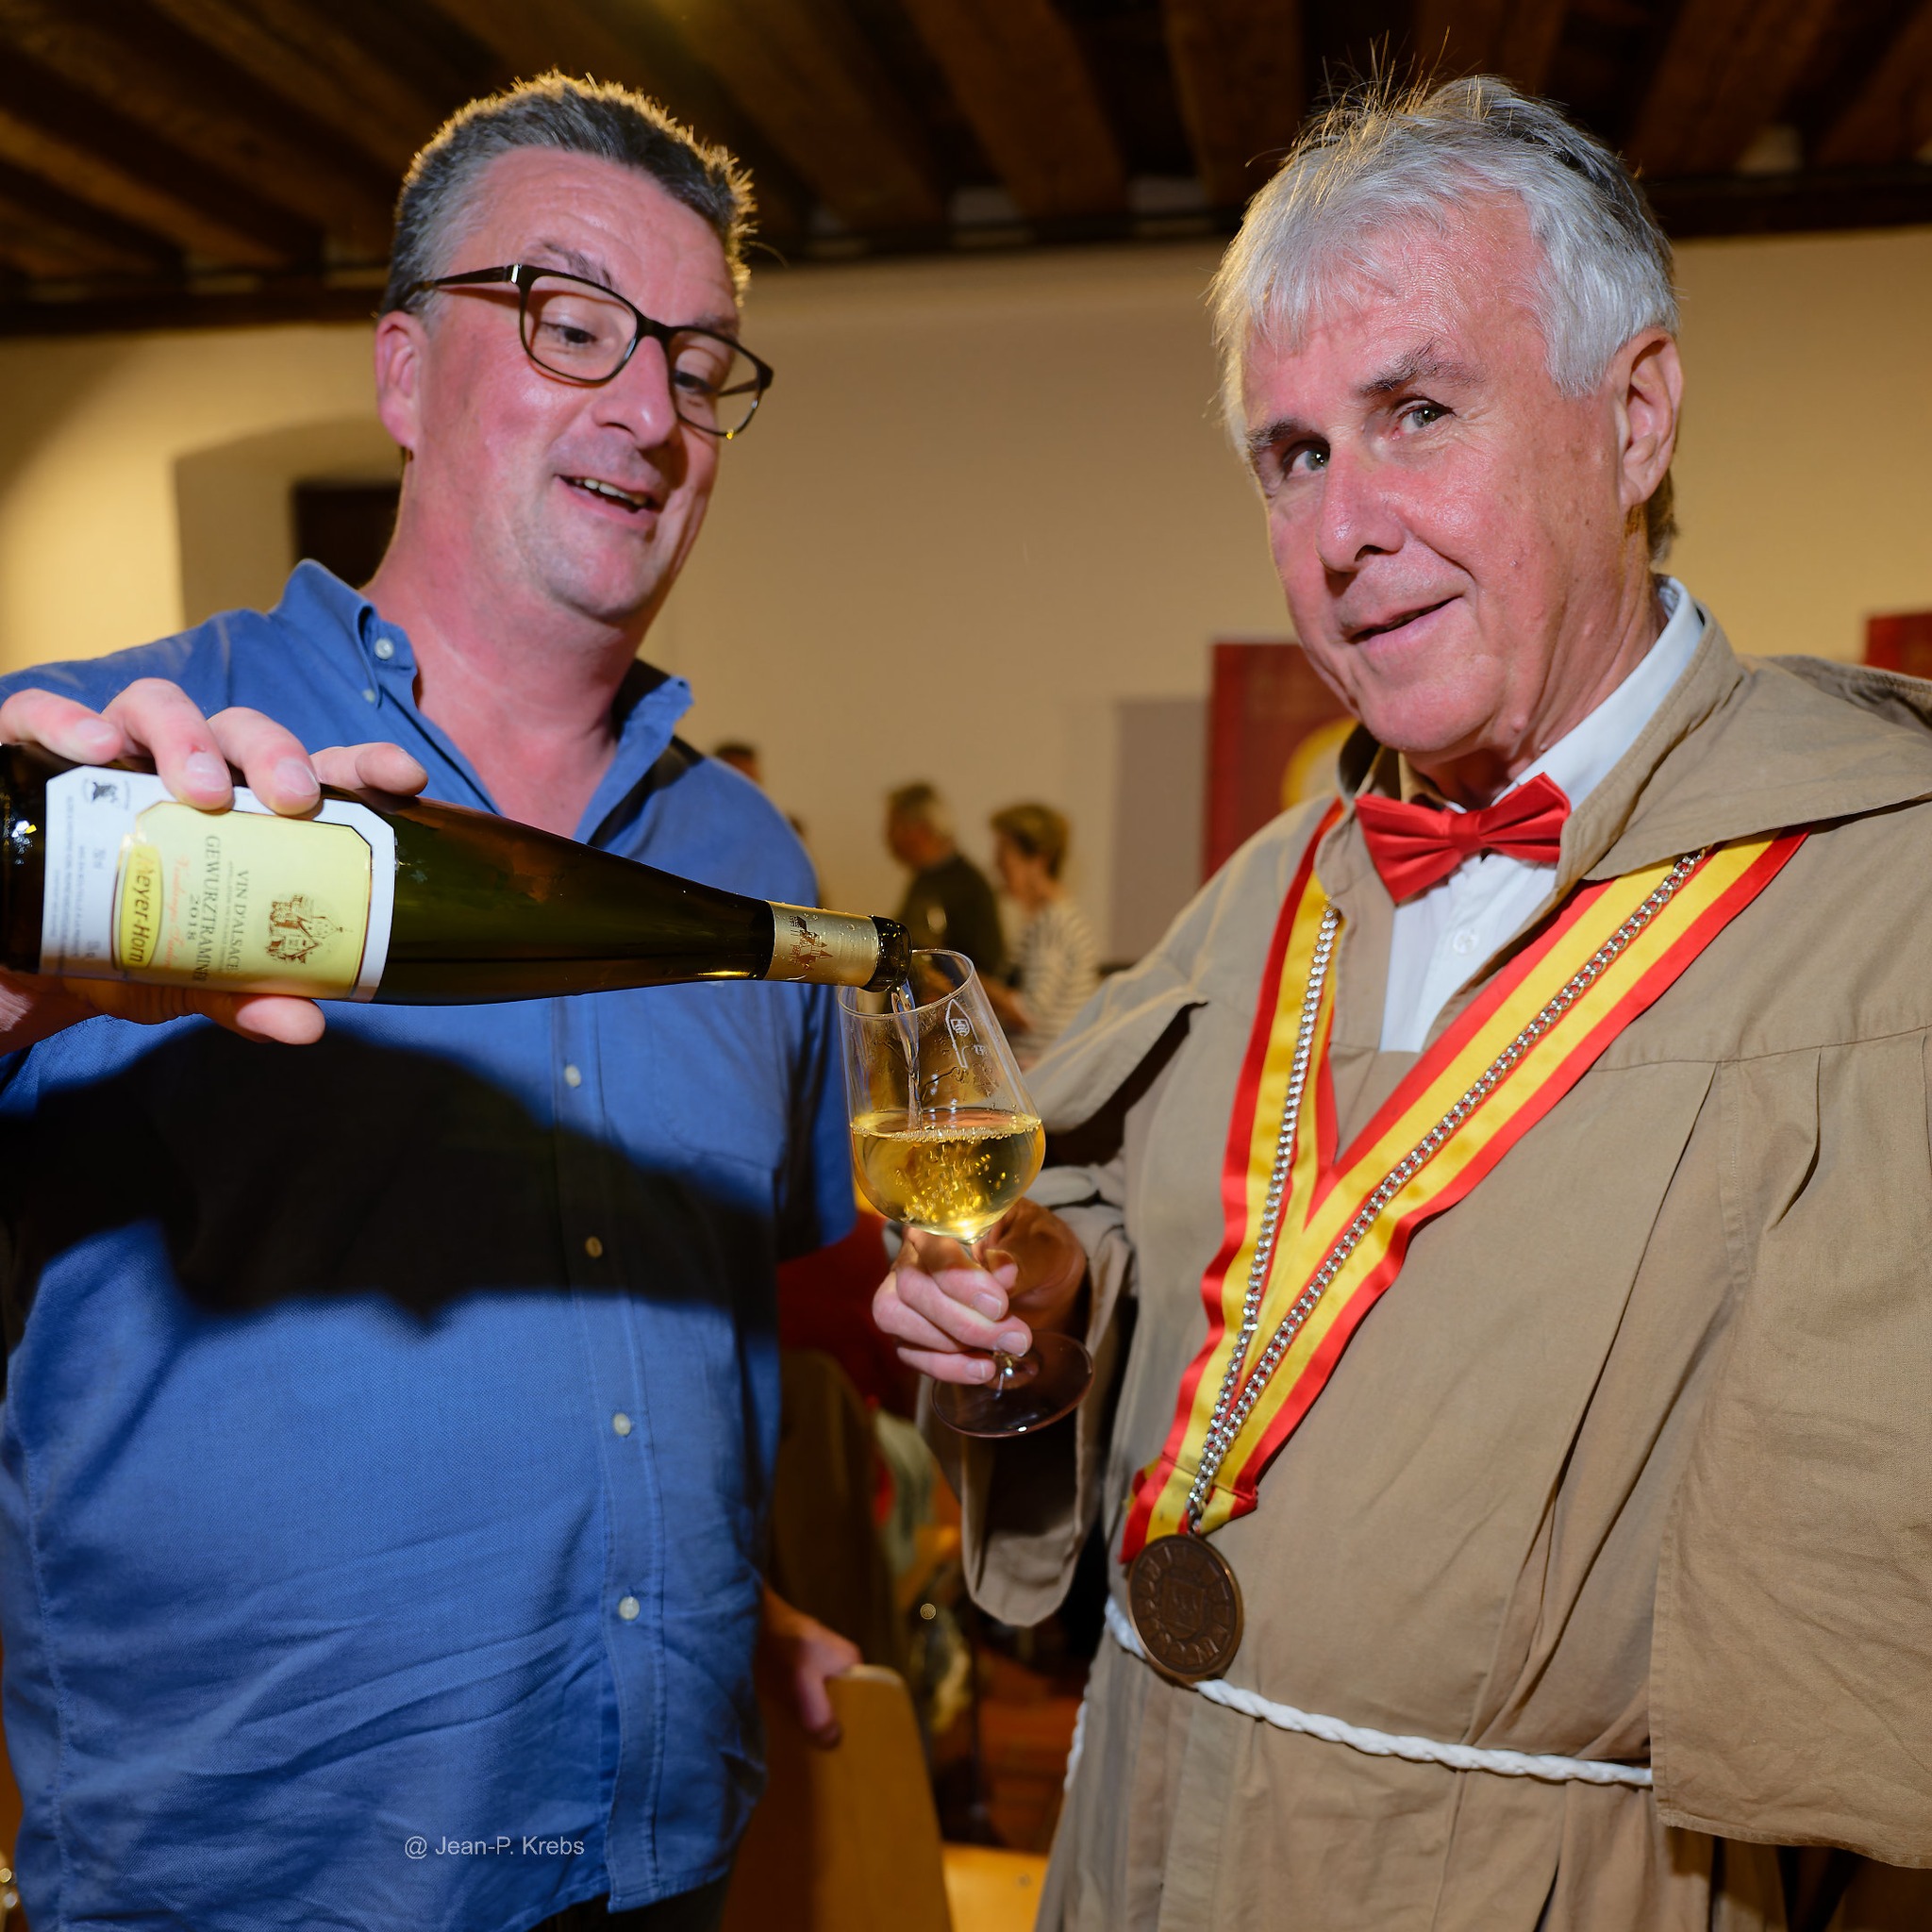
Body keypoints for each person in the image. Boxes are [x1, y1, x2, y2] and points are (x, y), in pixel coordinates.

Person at [874, 77, 1932, 1928]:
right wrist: (1036, 1318)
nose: (1340, 527)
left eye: (1414, 413)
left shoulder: (1884, 892)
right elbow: (1136, 1252)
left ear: (1634, 415)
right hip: (1141, 1839)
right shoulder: (1267, 886)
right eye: (1290, 454)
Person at [0, 76, 861, 1932]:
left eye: (698, 363)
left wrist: (732, 1589)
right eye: (572, 325)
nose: (650, 410)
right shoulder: (125, 786)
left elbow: (710, 1316)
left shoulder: (747, 856)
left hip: (663, 1867)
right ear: (403, 372)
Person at [985, 802, 1101, 1065]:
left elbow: (1029, 1012)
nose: (997, 864)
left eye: (1004, 853)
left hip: (1041, 1071)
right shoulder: (1049, 919)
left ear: (1039, 859)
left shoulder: (1053, 924)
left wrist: (966, 980)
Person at [884, 781, 1006, 976]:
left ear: (921, 830)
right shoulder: (925, 878)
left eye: (894, 827)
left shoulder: (968, 886)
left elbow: (985, 969)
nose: (888, 838)